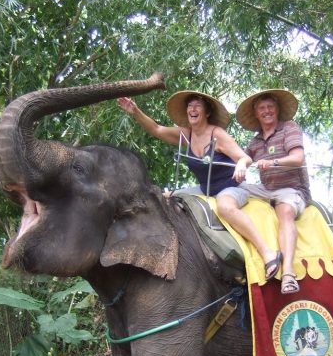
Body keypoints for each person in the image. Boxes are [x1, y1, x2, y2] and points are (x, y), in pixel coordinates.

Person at [118, 91, 283, 279]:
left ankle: (268, 253)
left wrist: (240, 165)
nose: (192, 109)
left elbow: (244, 157)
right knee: (163, 197)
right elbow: (157, 129)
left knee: (225, 207)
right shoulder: (185, 135)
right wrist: (135, 111)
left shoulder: (217, 134)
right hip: (205, 190)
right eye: (190, 105)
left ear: (207, 113)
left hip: (231, 187)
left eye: (197, 105)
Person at [218, 89, 311, 294]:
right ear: (256, 114)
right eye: (262, 108)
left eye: (270, 107)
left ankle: (287, 272)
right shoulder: (255, 142)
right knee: (228, 191)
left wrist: (273, 162)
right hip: (265, 189)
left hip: (291, 188)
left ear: (277, 110)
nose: (266, 111)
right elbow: (241, 158)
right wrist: (231, 161)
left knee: (285, 212)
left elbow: (297, 158)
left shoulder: (289, 128)